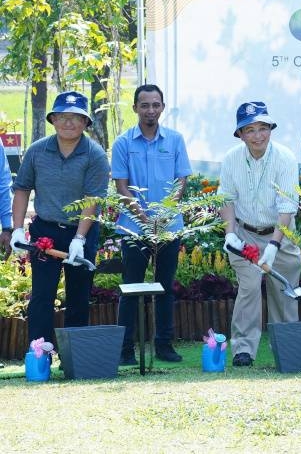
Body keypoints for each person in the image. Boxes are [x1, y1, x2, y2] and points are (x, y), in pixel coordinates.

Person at [0, 91, 110, 344]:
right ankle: (40, 354)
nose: (68, 122)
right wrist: (17, 229)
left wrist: (79, 238)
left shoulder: (94, 155)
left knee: (79, 295)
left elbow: (93, 199)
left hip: (81, 232)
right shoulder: (38, 150)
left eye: (75, 117)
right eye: (62, 116)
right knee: (42, 295)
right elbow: (22, 188)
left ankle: (74, 356)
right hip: (45, 232)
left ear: (85, 123)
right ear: (53, 119)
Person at [113, 84, 193, 365]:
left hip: (169, 226)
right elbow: (121, 186)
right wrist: (144, 219)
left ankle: (164, 345)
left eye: (155, 105)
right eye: (144, 105)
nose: (150, 110)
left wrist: (165, 213)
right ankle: (124, 350)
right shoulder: (123, 142)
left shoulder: (175, 140)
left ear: (162, 107)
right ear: (135, 108)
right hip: (135, 228)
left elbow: (181, 181)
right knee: (131, 288)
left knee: (165, 288)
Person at [219, 101, 301, 367]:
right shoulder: (231, 159)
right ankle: (243, 349)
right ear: (240, 134)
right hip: (245, 234)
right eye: (250, 130)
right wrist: (230, 234)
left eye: (263, 128)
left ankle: (287, 346)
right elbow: (227, 199)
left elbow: (288, 207)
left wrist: (275, 245)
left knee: (284, 291)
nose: (258, 136)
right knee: (250, 286)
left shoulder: (285, 158)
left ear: (270, 129)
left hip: (282, 233)